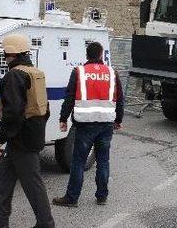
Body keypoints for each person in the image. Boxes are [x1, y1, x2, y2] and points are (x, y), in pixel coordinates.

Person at [0, 34, 56, 228]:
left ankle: (46, 225)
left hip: (20, 138)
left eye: (5, 53)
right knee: (3, 178)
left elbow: (13, 112)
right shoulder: (34, 72)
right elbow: (44, 109)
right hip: (28, 135)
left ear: (9, 53)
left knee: (32, 183)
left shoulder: (14, 76)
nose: (4, 57)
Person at [53, 42, 124, 207]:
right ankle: (102, 196)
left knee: (78, 161)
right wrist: (118, 120)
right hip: (106, 123)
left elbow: (69, 97)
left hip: (85, 124)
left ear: (87, 55)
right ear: (101, 55)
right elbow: (120, 99)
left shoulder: (79, 72)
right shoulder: (112, 73)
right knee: (103, 161)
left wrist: (63, 119)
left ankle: (72, 198)